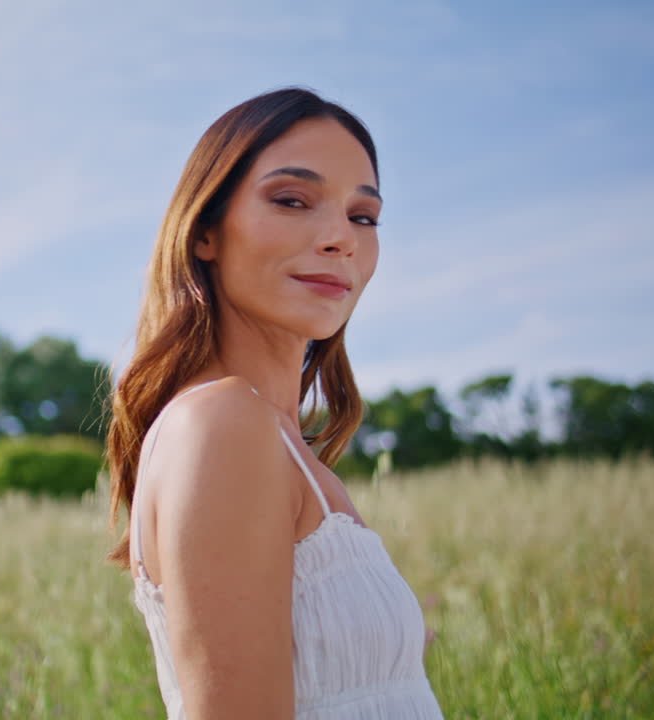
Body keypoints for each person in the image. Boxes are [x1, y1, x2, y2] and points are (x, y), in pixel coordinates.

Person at [104, 87, 444, 719]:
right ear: (205, 231)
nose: (340, 237)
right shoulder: (221, 423)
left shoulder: (280, 443)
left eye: (363, 216)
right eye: (292, 200)